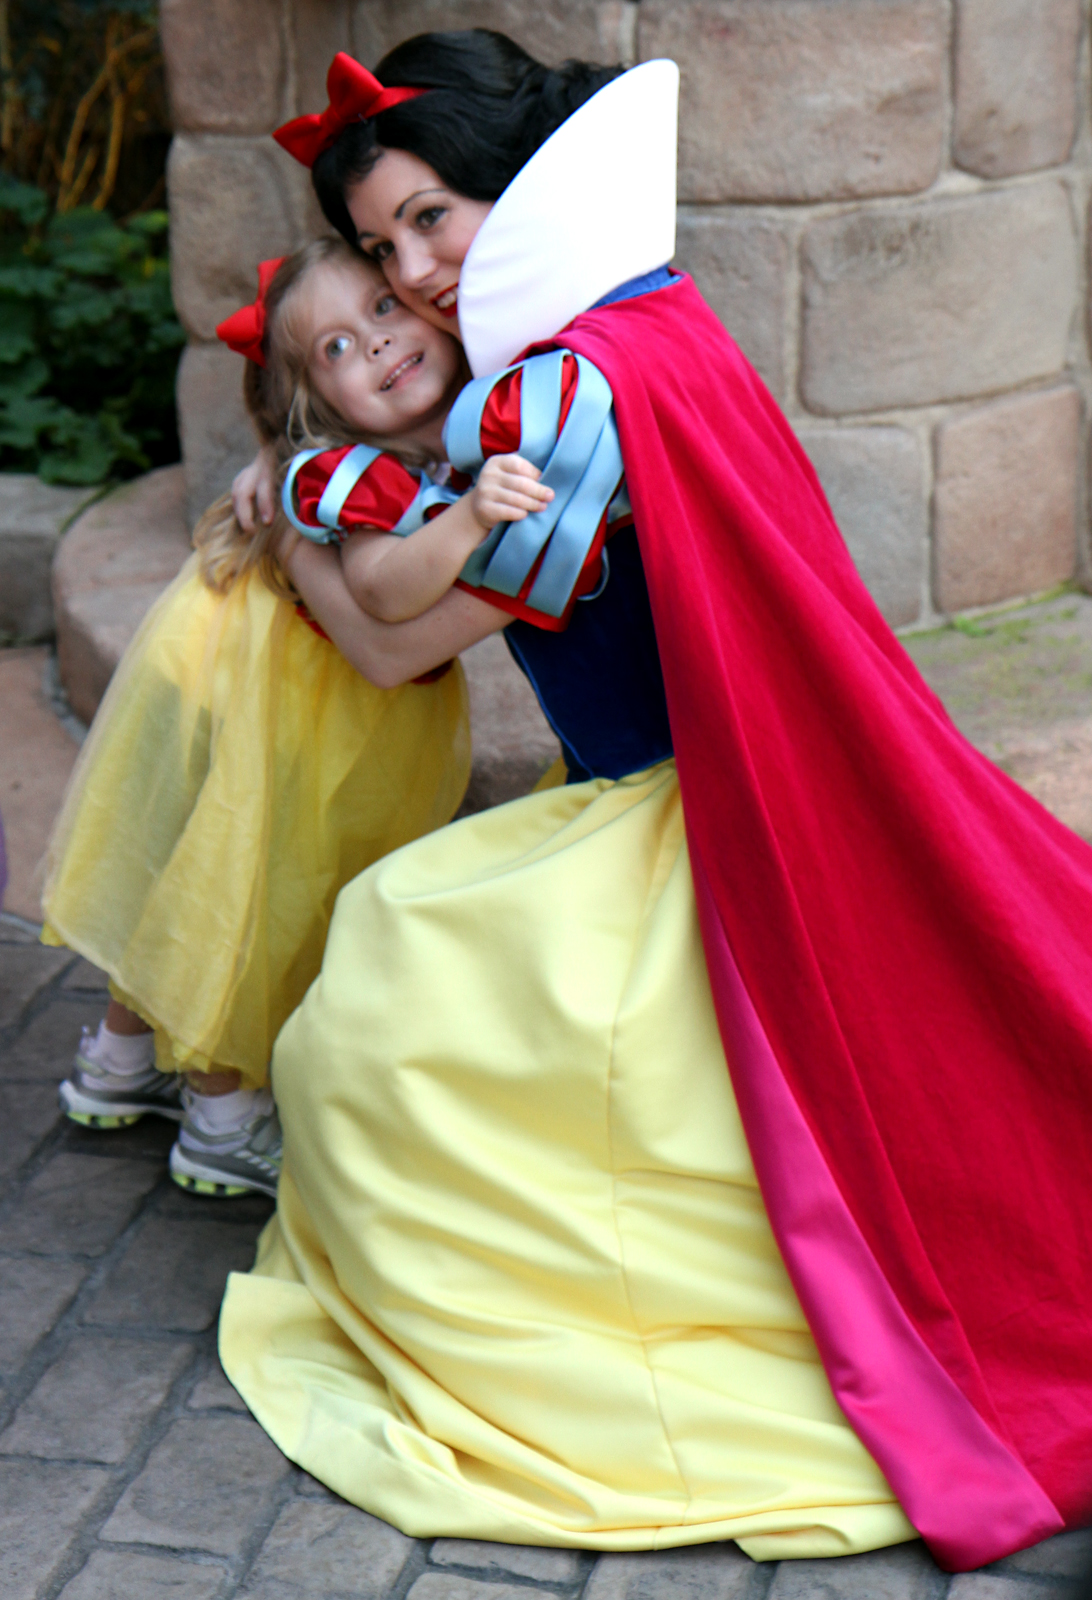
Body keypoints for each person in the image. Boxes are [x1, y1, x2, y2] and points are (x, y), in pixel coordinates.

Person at [222, 35, 1092, 1571]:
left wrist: (296, 529)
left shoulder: (551, 396)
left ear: (513, 184)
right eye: (377, 246)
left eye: (432, 219)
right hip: (716, 785)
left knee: (380, 987)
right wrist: (316, 476)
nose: (413, 271)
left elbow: (389, 642)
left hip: (696, 820)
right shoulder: (644, 325)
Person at [45, 239, 546, 1197]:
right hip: (288, 694)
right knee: (249, 888)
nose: (382, 345)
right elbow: (390, 594)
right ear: (316, 405)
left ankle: (117, 1062)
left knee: (197, 864)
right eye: (340, 349)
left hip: (268, 667)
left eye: (385, 312)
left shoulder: (439, 418)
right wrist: (473, 520)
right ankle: (223, 1122)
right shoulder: (353, 476)